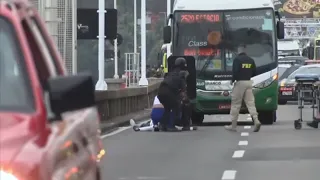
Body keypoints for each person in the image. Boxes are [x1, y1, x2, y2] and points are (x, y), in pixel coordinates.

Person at [225, 45, 261, 132]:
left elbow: (235, 71)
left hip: (240, 83)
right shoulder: (250, 60)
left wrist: (232, 80)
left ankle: (233, 125)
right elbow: (254, 72)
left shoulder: (237, 60)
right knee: (250, 103)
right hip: (248, 82)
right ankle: (256, 120)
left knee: (236, 104)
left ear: (238, 51)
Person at [157, 57, 187, 131]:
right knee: (176, 106)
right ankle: (171, 125)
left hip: (160, 91)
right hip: (168, 92)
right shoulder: (182, 74)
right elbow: (183, 90)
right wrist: (185, 99)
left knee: (167, 108)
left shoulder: (170, 73)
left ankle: (162, 124)